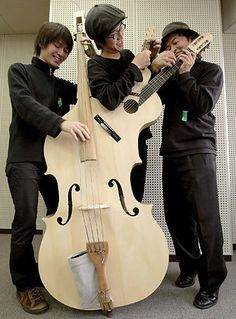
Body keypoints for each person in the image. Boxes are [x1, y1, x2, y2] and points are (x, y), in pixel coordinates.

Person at [5, 22, 92, 314]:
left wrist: (89, 56)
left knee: (60, 219)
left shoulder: (59, 85)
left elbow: (89, 93)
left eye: (67, 49)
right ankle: (25, 284)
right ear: (43, 41)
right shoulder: (19, 71)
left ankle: (56, 272)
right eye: (58, 45)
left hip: (54, 163)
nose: (62, 52)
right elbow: (25, 104)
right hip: (24, 159)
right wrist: (62, 123)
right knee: (26, 222)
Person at [151, 22, 227, 309]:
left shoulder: (211, 71)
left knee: (206, 221)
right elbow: (148, 99)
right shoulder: (168, 77)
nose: (173, 47)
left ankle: (211, 283)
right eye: (168, 44)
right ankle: (189, 266)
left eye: (177, 40)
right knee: (177, 218)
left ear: (193, 41)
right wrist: (156, 66)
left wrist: (184, 72)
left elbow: (201, 104)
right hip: (171, 152)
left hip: (198, 149)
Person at [85, 3, 160, 202]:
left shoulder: (127, 56)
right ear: (100, 39)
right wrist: (135, 65)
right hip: (113, 141)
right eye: (113, 34)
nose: (120, 36)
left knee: (136, 197)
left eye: (121, 28)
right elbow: (109, 99)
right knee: (116, 198)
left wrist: (152, 61)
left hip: (137, 138)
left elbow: (141, 91)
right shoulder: (95, 65)